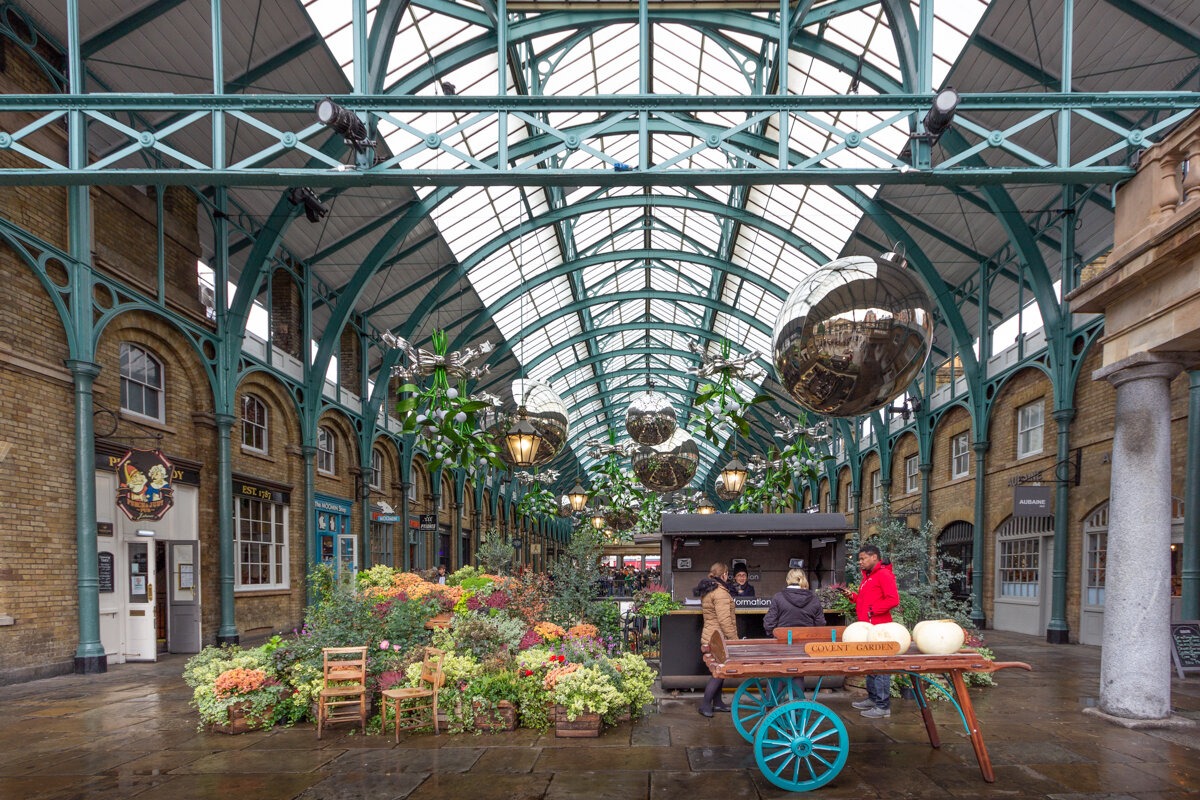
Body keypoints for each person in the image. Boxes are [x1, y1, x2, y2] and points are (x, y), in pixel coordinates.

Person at [843, 544, 899, 718]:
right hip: (868, 627)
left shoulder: (883, 575)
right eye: (859, 559)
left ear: (874, 557)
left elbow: (893, 600)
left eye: (862, 558)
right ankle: (873, 699)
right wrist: (852, 597)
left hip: (880, 629)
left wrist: (872, 610)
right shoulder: (868, 577)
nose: (860, 562)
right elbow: (865, 600)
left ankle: (883, 707)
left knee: (880, 666)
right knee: (871, 665)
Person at [763, 568, 825, 698]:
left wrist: (774, 636)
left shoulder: (778, 597)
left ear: (787, 580)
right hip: (804, 648)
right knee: (798, 674)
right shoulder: (813, 599)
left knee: (777, 674)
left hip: (781, 647)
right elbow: (821, 625)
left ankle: (772, 708)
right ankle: (797, 708)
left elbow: (768, 624)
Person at [696, 562, 738, 718]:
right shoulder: (720, 592)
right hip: (718, 638)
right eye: (727, 573)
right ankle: (705, 705)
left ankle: (718, 703)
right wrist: (734, 639)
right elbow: (724, 620)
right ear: (723, 574)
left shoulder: (710, 589)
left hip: (711, 635)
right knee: (719, 672)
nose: (728, 576)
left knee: (719, 670)